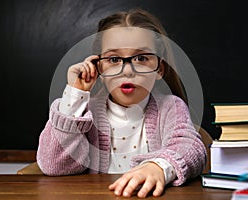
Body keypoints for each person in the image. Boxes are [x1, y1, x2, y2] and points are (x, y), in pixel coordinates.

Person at [37, 8, 206, 198]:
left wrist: (158, 167)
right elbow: (55, 165)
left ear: (159, 69)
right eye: (114, 59)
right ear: (99, 67)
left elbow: (191, 148)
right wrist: (75, 96)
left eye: (141, 58)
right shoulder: (83, 111)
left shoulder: (170, 107)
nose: (127, 71)